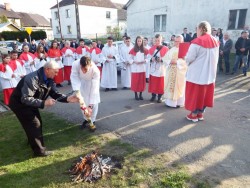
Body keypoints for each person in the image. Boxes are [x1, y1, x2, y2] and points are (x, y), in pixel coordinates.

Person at [9, 61, 79, 157]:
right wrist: (43, 102)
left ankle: (33, 141)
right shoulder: (32, 79)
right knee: (34, 123)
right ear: (47, 69)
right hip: (20, 104)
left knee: (36, 123)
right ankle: (39, 151)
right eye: (55, 71)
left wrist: (68, 99)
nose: (57, 74)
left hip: (31, 103)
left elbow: (55, 93)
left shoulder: (49, 78)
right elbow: (25, 98)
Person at [185, 21, 220, 122]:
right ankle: (200, 113)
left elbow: (190, 58)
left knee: (195, 94)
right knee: (204, 94)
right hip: (209, 73)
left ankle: (193, 114)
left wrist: (185, 59)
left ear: (200, 29)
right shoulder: (215, 41)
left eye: (197, 29)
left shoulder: (197, 42)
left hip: (197, 74)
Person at [71, 56, 100, 131]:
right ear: (80, 65)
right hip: (82, 83)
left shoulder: (95, 71)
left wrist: (90, 106)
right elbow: (74, 77)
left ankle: (92, 121)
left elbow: (95, 89)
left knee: (94, 104)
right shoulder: (75, 64)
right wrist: (77, 90)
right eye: (82, 69)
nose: (84, 71)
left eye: (86, 70)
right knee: (83, 102)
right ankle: (86, 119)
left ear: (90, 65)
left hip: (92, 84)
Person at [163, 35, 187, 107]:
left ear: (182, 41)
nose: (176, 43)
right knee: (170, 86)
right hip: (171, 71)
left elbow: (187, 61)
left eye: (178, 41)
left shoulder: (185, 50)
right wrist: (170, 61)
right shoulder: (171, 49)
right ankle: (170, 103)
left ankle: (179, 103)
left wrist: (177, 62)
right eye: (175, 41)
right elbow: (165, 59)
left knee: (179, 87)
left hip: (179, 72)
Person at [148, 34, 169, 103]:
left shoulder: (165, 49)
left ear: (161, 40)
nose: (157, 42)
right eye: (156, 40)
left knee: (160, 84)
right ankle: (153, 95)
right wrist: (152, 59)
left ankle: (159, 97)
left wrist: (161, 59)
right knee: (153, 83)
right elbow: (148, 58)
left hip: (161, 69)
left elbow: (168, 59)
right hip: (153, 69)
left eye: (158, 40)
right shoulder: (152, 48)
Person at [129, 36, 148, 100]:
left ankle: (140, 94)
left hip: (142, 68)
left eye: (140, 41)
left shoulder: (145, 50)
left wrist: (144, 61)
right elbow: (130, 59)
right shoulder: (133, 49)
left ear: (142, 41)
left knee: (141, 82)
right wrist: (134, 61)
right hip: (135, 68)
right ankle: (136, 94)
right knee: (135, 82)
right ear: (136, 42)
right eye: (138, 41)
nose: (139, 42)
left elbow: (147, 58)